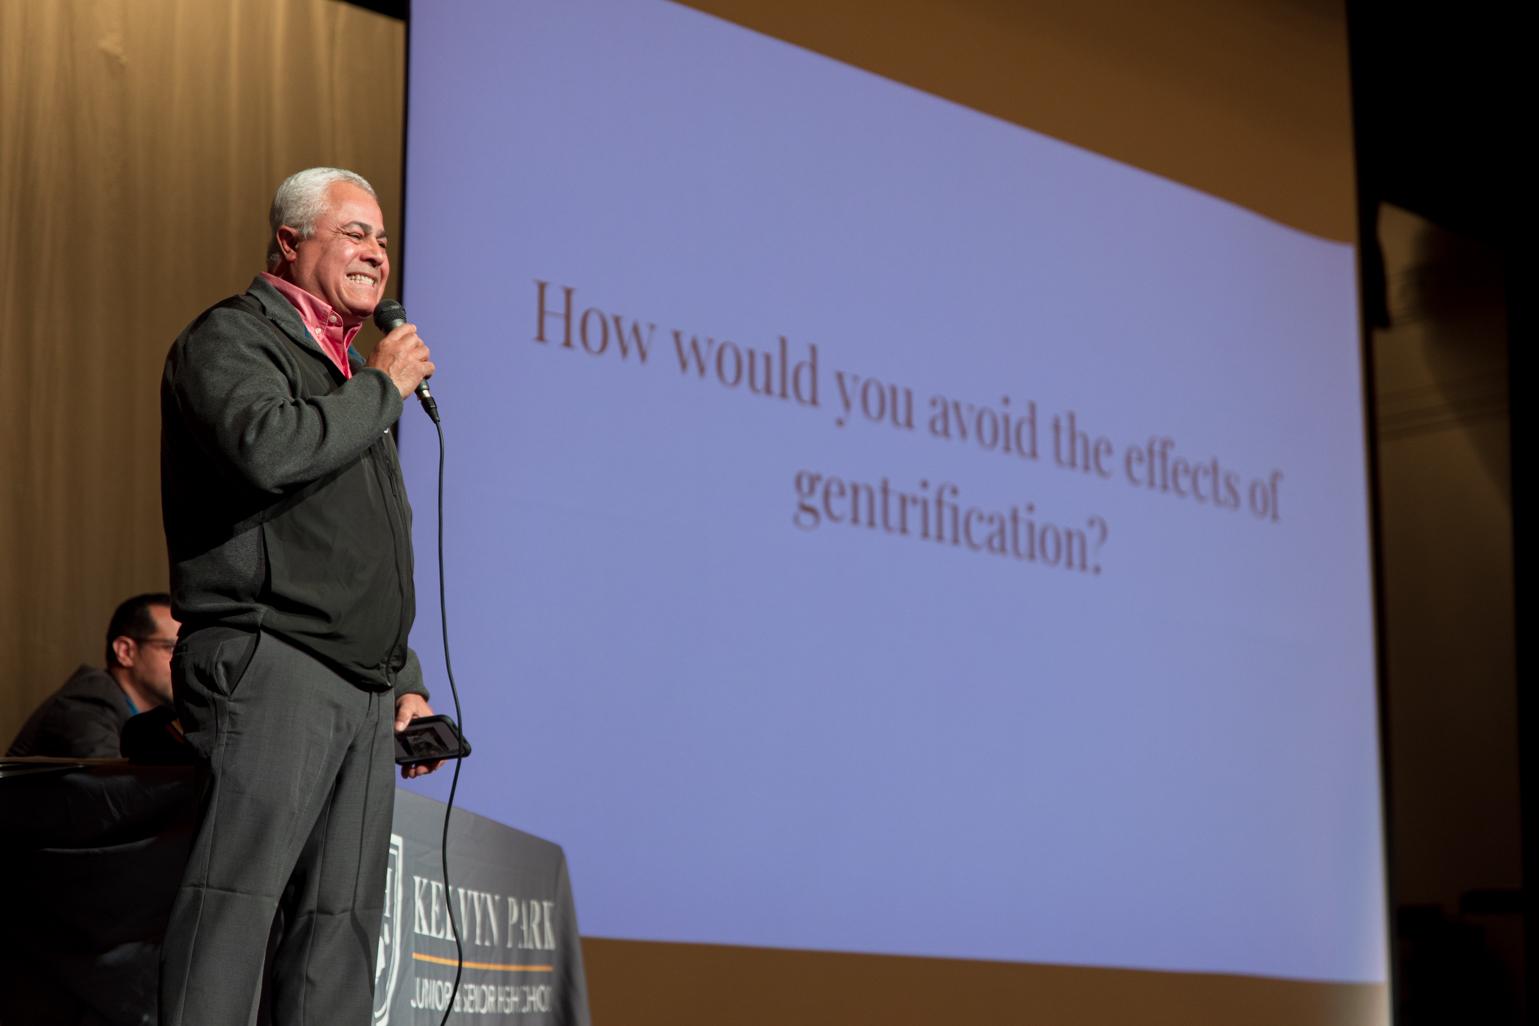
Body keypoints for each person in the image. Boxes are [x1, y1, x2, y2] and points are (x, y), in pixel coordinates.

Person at [158, 167, 440, 1025]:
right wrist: (379, 390)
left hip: (360, 684)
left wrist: (404, 680)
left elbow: (362, 551)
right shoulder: (233, 339)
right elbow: (268, 452)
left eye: (383, 240)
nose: (375, 253)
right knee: (232, 910)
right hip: (272, 659)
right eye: (353, 233)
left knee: (342, 930)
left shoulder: (352, 370)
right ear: (290, 241)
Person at [6, 593, 180, 758]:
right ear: (125, 651)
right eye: (172, 648)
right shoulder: (85, 707)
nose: (184, 661)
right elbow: (118, 784)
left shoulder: (156, 718)